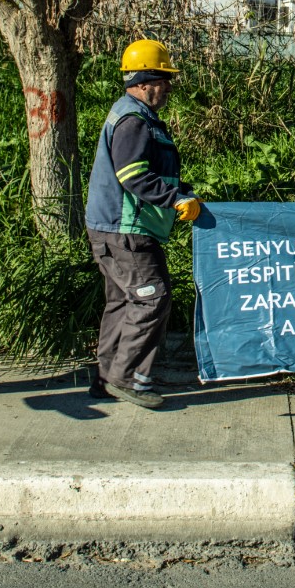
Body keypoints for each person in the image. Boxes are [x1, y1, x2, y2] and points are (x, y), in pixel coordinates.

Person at [83, 39, 203, 410]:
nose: (168, 87)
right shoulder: (134, 120)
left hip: (114, 228)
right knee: (152, 298)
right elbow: (133, 176)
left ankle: (107, 377)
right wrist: (176, 199)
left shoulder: (133, 115)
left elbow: (149, 172)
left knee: (123, 302)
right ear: (145, 80)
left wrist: (180, 189)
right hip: (126, 231)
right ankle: (129, 378)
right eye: (164, 79)